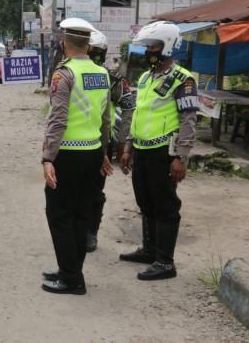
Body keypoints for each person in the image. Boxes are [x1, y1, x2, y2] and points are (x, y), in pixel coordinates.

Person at [119, 21, 199, 281]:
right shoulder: (144, 78)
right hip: (142, 149)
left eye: (152, 46)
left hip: (164, 152)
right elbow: (138, 114)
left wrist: (181, 157)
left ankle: (165, 262)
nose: (148, 51)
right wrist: (128, 148)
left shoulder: (182, 79)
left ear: (166, 47)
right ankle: (149, 250)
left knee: (165, 206)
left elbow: (188, 120)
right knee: (145, 201)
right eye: (147, 47)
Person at [40, 18, 112, 295]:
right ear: (88, 44)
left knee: (59, 214)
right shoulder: (102, 74)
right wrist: (104, 152)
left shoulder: (64, 74)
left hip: (67, 154)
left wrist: (48, 158)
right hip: (92, 153)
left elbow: (57, 121)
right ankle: (71, 269)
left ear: (63, 43)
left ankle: (71, 279)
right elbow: (105, 119)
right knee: (81, 215)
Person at [85, 30, 135, 252]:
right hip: (72, 142)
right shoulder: (70, 74)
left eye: (96, 52)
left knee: (95, 192)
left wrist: (123, 141)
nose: (92, 56)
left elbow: (129, 106)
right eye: (89, 51)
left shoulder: (112, 79)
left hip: (100, 145)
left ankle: (90, 233)